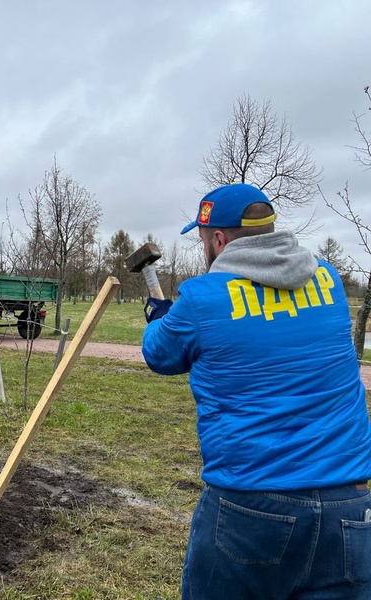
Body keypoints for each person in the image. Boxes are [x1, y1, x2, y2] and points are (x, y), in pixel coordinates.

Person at [141, 183, 371, 599]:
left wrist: (160, 316)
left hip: (251, 508)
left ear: (220, 239)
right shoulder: (329, 280)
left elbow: (159, 354)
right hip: (350, 509)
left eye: (203, 240)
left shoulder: (200, 299)